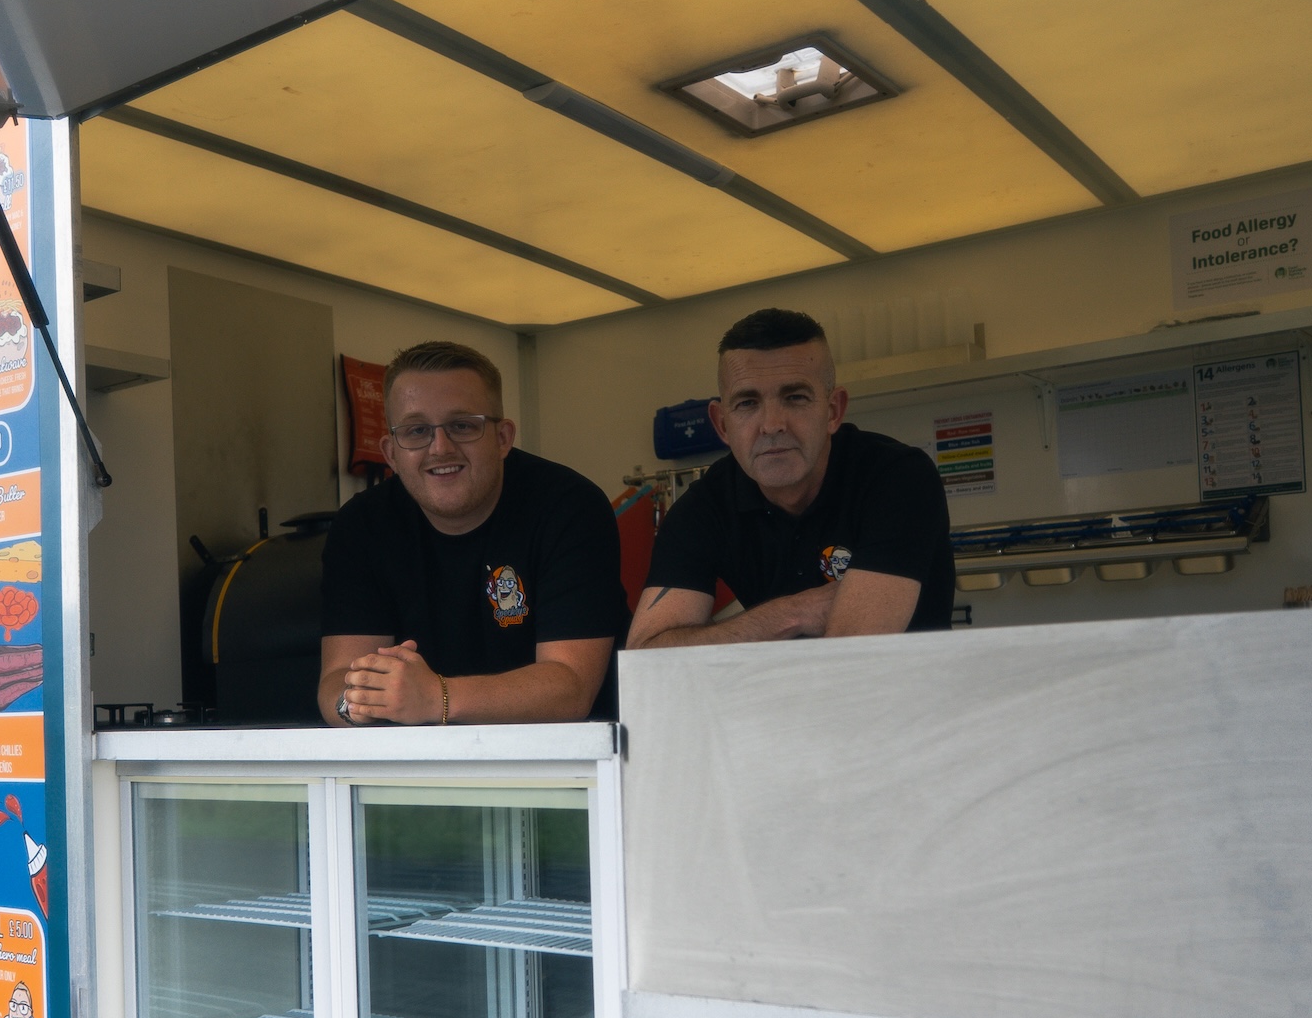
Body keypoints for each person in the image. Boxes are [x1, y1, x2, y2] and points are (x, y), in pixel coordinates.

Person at [320, 340, 627, 725]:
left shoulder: (569, 506)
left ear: (503, 438)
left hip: (567, 764)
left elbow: (570, 689)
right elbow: (336, 682)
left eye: (462, 426)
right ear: (391, 453)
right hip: (413, 767)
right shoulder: (360, 526)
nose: (440, 448)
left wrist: (436, 698)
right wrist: (360, 707)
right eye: (416, 430)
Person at [627, 308, 954, 648]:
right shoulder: (704, 508)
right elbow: (646, 656)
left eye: (795, 397)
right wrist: (793, 613)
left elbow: (855, 655)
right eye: (747, 403)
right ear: (722, 424)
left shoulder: (897, 478)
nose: (772, 425)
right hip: (782, 697)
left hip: (912, 695)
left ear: (833, 411)